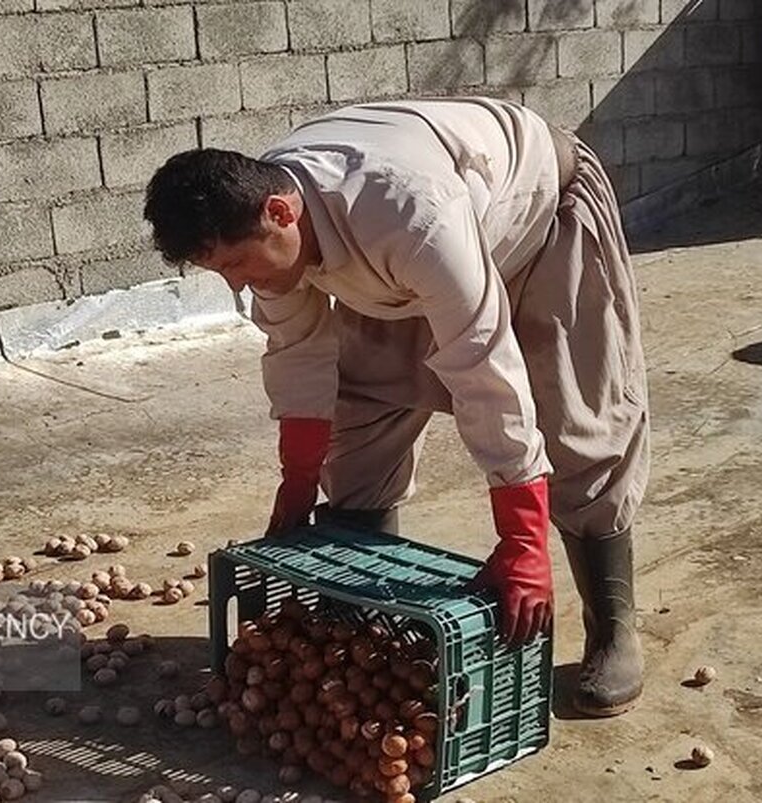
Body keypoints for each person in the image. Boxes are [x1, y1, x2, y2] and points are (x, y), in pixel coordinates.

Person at [142, 97, 649, 718]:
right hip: (411, 266)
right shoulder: (271, 222)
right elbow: (298, 353)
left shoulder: (409, 212)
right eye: (219, 271)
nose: (237, 284)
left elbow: (484, 367)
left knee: (576, 422)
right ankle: (364, 622)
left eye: (238, 264)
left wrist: (521, 538)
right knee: (363, 411)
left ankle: (612, 627)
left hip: (543, 219)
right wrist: (299, 483)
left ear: (280, 213)